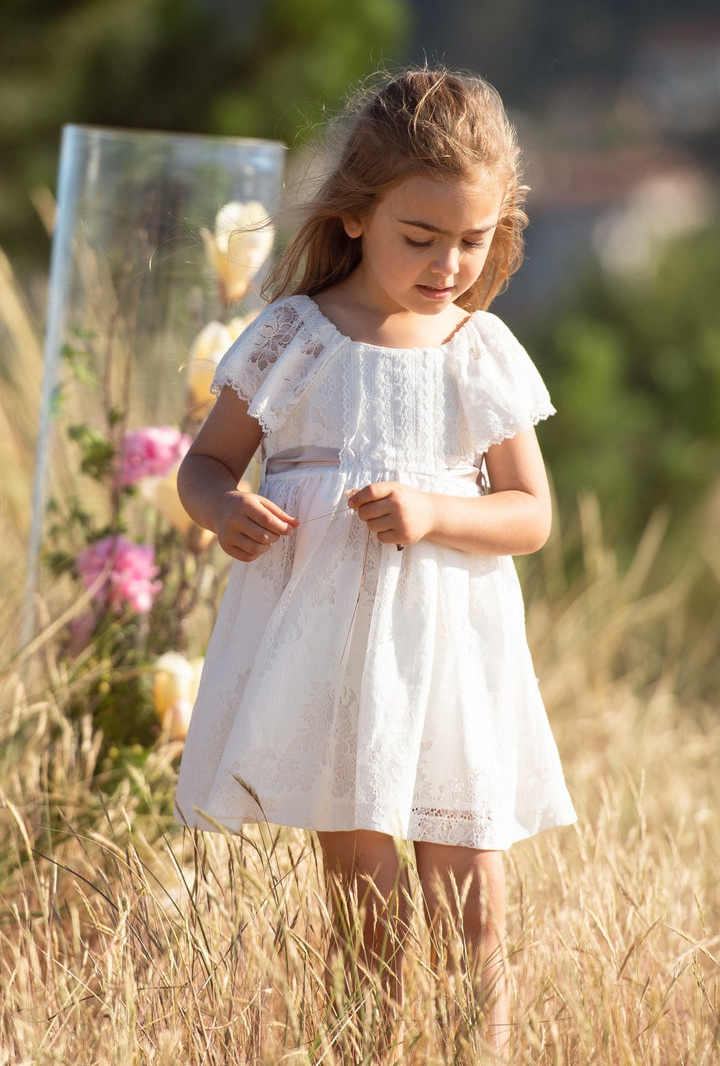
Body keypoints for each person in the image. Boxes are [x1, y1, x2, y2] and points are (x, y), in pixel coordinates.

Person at [174, 66, 576, 1052]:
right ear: (355, 215)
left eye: (473, 240)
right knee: (366, 907)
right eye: (421, 236)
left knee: (472, 900)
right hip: (333, 660)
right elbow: (205, 464)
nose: (449, 264)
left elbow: (531, 514)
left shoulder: (478, 348)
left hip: (451, 654)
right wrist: (224, 508)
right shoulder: (293, 336)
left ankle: (479, 1051)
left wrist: (434, 511)